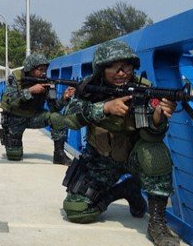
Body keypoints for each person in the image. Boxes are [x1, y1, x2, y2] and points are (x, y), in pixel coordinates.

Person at [51, 40, 179, 246]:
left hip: (133, 156)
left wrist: (157, 119)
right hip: (101, 158)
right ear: (102, 69)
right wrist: (105, 108)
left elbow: (152, 135)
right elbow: (71, 118)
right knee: (76, 211)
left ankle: (157, 223)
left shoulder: (144, 89)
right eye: (115, 68)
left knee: (155, 153)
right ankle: (123, 190)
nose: (122, 73)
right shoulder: (89, 87)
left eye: (127, 67)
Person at [0, 53, 75, 165]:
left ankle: (59, 154)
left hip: (34, 117)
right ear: (30, 68)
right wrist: (30, 91)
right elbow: (10, 101)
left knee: (57, 117)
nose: (43, 73)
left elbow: (54, 108)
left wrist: (64, 98)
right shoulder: (16, 78)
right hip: (15, 118)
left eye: (45, 70)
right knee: (14, 156)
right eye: (40, 69)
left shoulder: (46, 81)